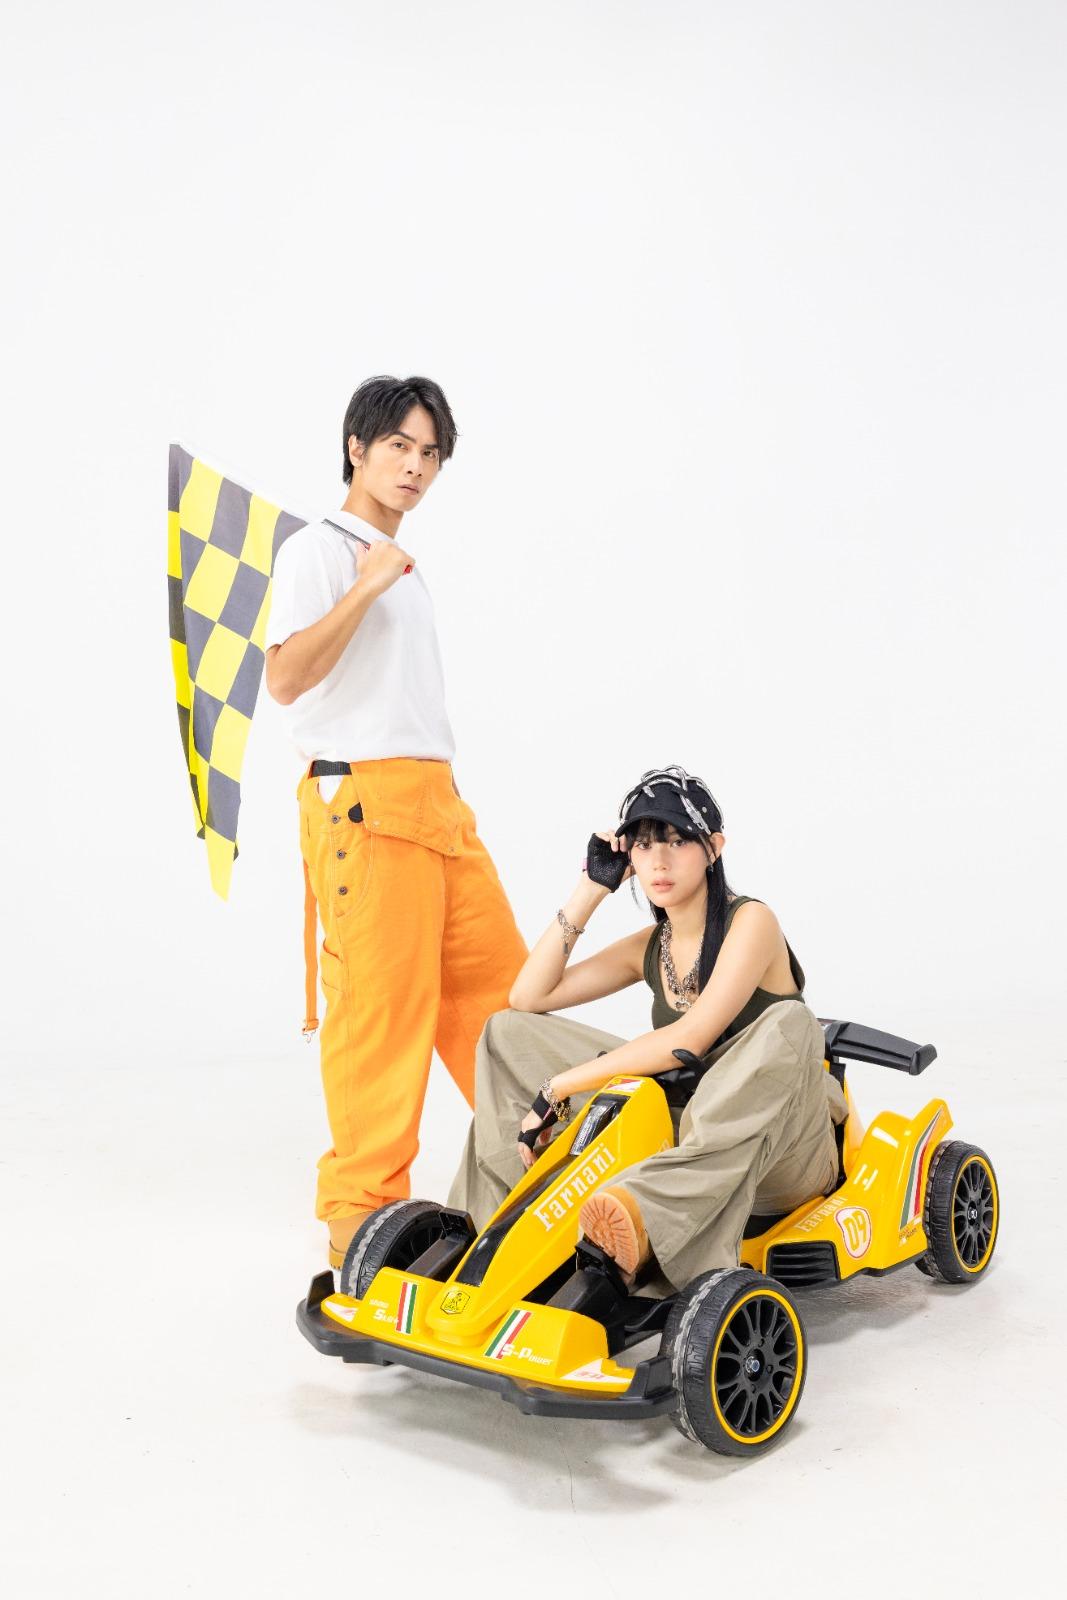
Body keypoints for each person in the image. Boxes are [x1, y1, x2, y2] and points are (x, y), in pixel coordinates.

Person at [265, 375, 528, 1267]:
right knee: (381, 1017)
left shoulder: (403, 567)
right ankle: (361, 1223)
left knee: (503, 1006)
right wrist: (365, 586)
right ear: (357, 449)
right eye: (398, 447)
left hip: (437, 806)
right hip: (365, 810)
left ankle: (549, 1176)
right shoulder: (320, 550)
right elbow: (286, 679)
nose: (414, 466)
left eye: (429, 454)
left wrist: (386, 576)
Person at [448, 765, 846, 1289]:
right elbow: (528, 997)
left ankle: (641, 1215)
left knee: (792, 1023)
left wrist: (560, 1086)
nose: (659, 861)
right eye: (642, 844)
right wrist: (591, 888)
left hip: (783, 1147)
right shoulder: (649, 946)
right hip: (680, 1133)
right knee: (505, 1032)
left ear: (714, 848)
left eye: (678, 841)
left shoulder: (752, 922)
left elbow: (689, 1040)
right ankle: (501, 1227)